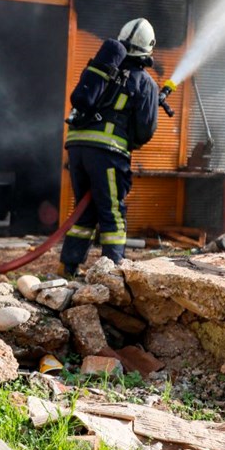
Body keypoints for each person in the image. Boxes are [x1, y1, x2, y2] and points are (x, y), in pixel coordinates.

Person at [59, 18, 160, 275]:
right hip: (107, 153)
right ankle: (113, 270)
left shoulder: (102, 70)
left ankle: (68, 266)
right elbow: (145, 130)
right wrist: (129, 142)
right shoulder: (145, 82)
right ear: (149, 47)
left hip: (77, 146)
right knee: (112, 211)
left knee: (84, 209)